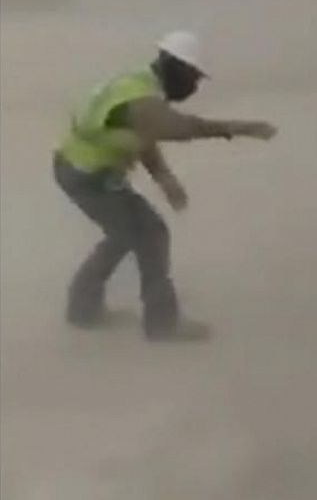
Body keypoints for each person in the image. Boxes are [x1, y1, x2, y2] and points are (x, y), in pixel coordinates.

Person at [54, 30, 277, 340]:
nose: (195, 85)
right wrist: (240, 128)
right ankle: (161, 324)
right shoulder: (144, 99)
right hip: (89, 176)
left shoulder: (137, 82)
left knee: (125, 234)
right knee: (151, 234)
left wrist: (163, 177)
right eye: (194, 77)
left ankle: (83, 308)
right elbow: (180, 128)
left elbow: (142, 134)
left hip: (77, 167)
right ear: (178, 68)